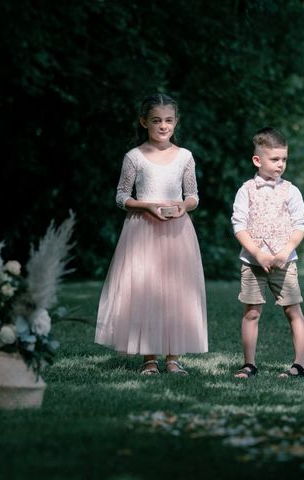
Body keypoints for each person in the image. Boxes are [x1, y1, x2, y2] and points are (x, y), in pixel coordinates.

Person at [95, 93, 207, 375]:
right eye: (156, 120)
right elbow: (121, 197)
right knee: (146, 291)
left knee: (177, 291)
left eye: (169, 120)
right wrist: (147, 206)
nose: (163, 126)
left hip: (177, 231)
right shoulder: (134, 157)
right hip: (143, 230)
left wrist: (183, 206)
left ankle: (173, 358)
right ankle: (149, 359)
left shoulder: (184, 157)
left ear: (176, 122)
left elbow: (193, 195)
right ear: (144, 121)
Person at [230, 127, 304, 379]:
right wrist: (257, 253)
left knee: (293, 310)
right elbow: (239, 226)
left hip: (285, 262)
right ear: (258, 160)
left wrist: (286, 251)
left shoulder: (291, 191)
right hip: (253, 262)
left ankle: (300, 364)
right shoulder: (246, 190)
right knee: (252, 311)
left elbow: (300, 225)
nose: (280, 164)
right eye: (275, 159)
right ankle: (249, 364)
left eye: (284, 159)